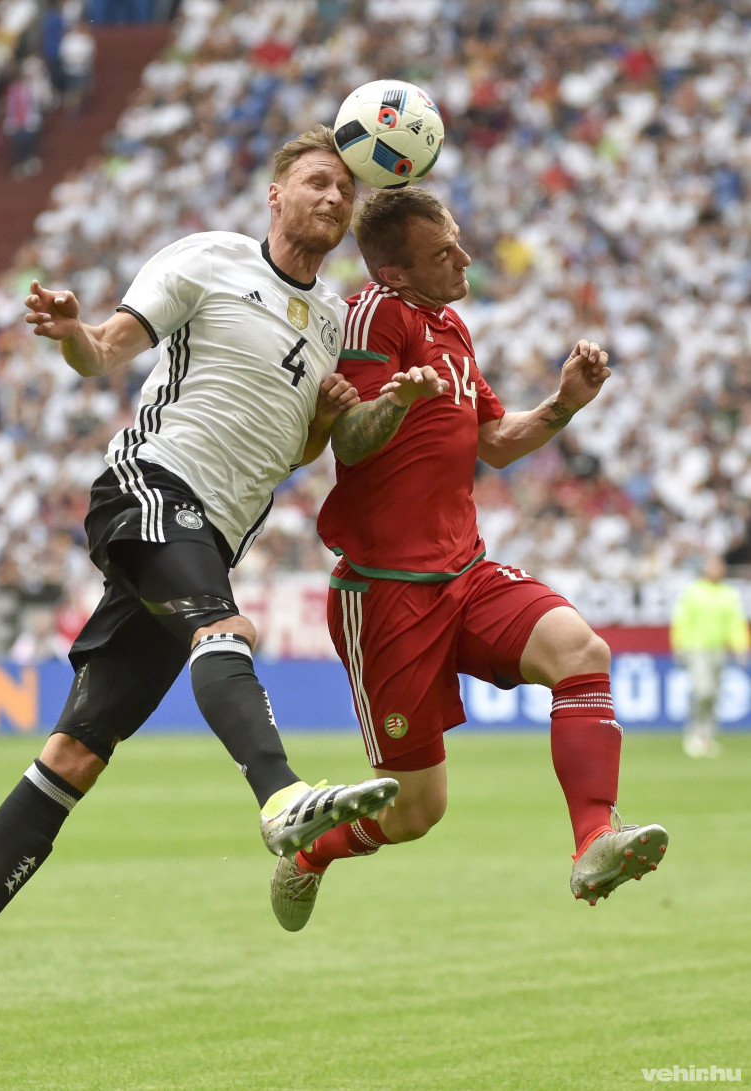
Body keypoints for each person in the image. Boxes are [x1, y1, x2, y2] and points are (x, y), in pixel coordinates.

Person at [0, 127, 445, 1051]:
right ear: (275, 195)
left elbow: (297, 448)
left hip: (207, 534)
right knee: (225, 628)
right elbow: (106, 349)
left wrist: (342, 417)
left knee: (78, 751)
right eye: (316, 181)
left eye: (343, 191)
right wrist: (73, 332)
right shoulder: (209, 259)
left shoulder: (331, 324)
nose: (332, 198)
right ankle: (280, 798)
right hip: (150, 487)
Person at [269, 186, 669, 932]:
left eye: (457, 239)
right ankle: (312, 852)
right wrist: (396, 401)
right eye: (444, 251)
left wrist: (563, 404)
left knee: (582, 651)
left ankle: (594, 840)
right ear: (394, 271)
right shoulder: (373, 316)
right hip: (385, 594)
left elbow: (496, 442)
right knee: (417, 810)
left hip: (465, 571)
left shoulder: (450, 325)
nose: (465, 257)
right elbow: (347, 439)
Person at [670, 553, 750, 758]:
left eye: (719, 566)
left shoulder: (728, 593)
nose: (717, 570)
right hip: (696, 649)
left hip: (719, 650)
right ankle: (694, 732)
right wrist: (678, 645)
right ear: (705, 569)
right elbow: (682, 619)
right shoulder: (694, 592)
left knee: (714, 693)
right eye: (713, 566)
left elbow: (735, 622)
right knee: (703, 690)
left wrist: (741, 646)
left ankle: (706, 735)